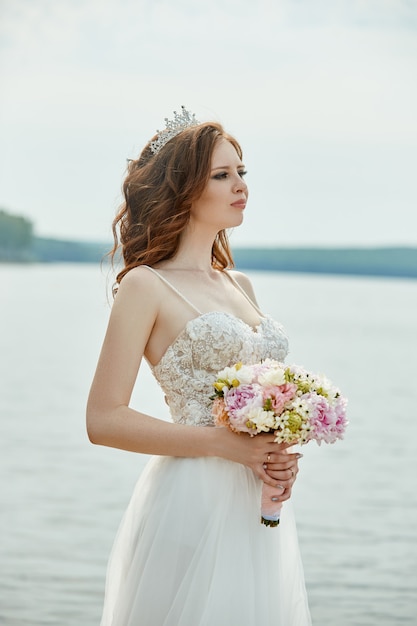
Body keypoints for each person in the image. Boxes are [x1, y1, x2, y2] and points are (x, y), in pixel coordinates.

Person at [86, 107, 312, 626]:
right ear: (184, 189)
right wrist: (222, 444)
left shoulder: (240, 285)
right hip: (190, 499)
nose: (241, 186)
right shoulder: (145, 286)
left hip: (253, 499)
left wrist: (275, 454)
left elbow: (254, 406)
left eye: (242, 172)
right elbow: (102, 419)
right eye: (222, 175)